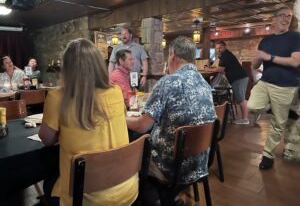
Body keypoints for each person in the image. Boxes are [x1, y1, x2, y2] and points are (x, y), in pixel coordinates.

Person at [39, 38, 138, 206]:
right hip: (127, 190)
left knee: (49, 183)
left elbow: (47, 139)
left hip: (86, 199)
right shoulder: (115, 91)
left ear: (67, 68)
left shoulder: (57, 98)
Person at [126, 36, 216, 205]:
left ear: (173, 55)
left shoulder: (168, 82)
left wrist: (120, 119)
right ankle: (168, 197)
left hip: (171, 168)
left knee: (132, 149)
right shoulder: (205, 84)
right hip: (200, 162)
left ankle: (147, 199)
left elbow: (142, 125)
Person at [248, 6, 300, 170]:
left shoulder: (295, 37)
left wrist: (268, 57)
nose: (286, 19)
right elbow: (255, 64)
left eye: (289, 16)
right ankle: (270, 106)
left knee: (278, 124)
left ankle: (268, 156)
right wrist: (255, 59)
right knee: (252, 106)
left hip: (285, 86)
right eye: (282, 15)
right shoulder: (266, 40)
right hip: (265, 82)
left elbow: (295, 61)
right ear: (274, 19)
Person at [207, 41, 249, 125]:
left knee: (241, 99)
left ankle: (245, 119)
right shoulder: (225, 55)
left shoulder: (225, 55)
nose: (218, 50)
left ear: (224, 47)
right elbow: (224, 69)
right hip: (239, 78)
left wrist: (209, 69)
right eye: (217, 48)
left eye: (220, 48)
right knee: (240, 98)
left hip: (239, 78)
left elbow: (221, 69)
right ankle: (244, 118)